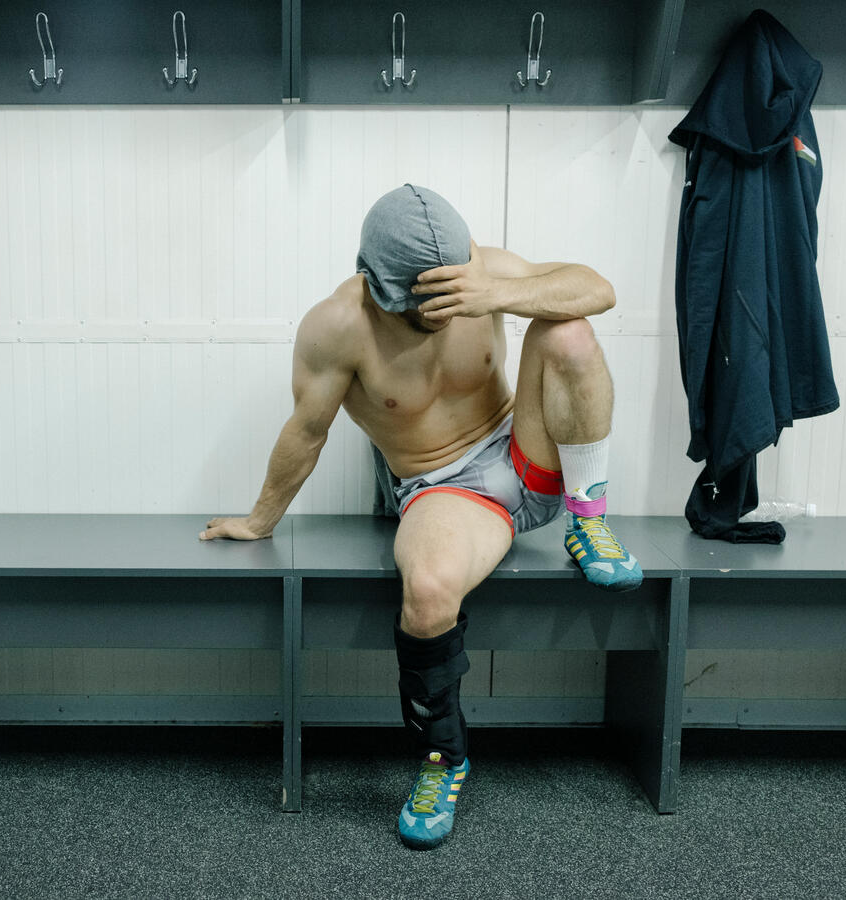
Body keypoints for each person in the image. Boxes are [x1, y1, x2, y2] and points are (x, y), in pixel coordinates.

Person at [199, 184, 641, 850]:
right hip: (449, 492)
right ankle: (443, 759)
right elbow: (307, 431)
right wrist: (261, 520)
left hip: (529, 453)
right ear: (377, 284)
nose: (439, 312)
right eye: (420, 303)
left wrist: (496, 294)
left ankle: (589, 518)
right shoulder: (337, 326)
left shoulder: (482, 273)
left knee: (569, 329)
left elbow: (597, 289)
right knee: (428, 593)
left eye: (448, 295)